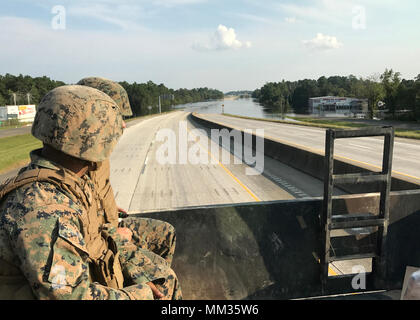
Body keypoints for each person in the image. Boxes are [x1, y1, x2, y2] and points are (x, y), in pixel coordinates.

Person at [0, 85, 182, 300]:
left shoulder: (68, 179)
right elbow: (68, 296)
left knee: (161, 277)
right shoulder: (45, 208)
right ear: (91, 139)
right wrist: (139, 295)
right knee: (162, 287)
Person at [77, 77, 176, 265]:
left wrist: (110, 209)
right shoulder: (75, 164)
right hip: (101, 242)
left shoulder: (98, 158)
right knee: (162, 278)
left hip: (110, 228)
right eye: (117, 117)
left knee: (166, 233)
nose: (123, 125)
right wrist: (114, 236)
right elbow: (80, 229)